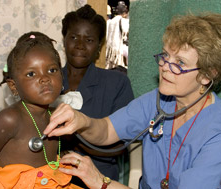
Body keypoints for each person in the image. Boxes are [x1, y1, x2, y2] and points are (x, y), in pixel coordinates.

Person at [44, 13, 221, 189]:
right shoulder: (157, 101)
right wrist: (81, 121)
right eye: (165, 56)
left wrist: (101, 182)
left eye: (180, 63)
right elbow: (107, 130)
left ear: (207, 75)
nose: (165, 67)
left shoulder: (216, 133)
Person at [0, 31, 82, 189]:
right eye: (31, 74)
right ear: (13, 86)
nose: (44, 78)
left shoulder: (56, 116)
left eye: (52, 70)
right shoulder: (10, 119)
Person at [53, 4, 134, 187]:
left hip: (99, 179)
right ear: (64, 40)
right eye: (73, 37)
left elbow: (120, 147)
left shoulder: (117, 83)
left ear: (99, 45)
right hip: (52, 178)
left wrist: (75, 138)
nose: (80, 45)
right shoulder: (49, 81)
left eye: (89, 40)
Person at [106, 1, 129, 69]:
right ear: (124, 12)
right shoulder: (123, 21)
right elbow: (127, 31)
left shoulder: (110, 22)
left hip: (110, 50)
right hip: (118, 49)